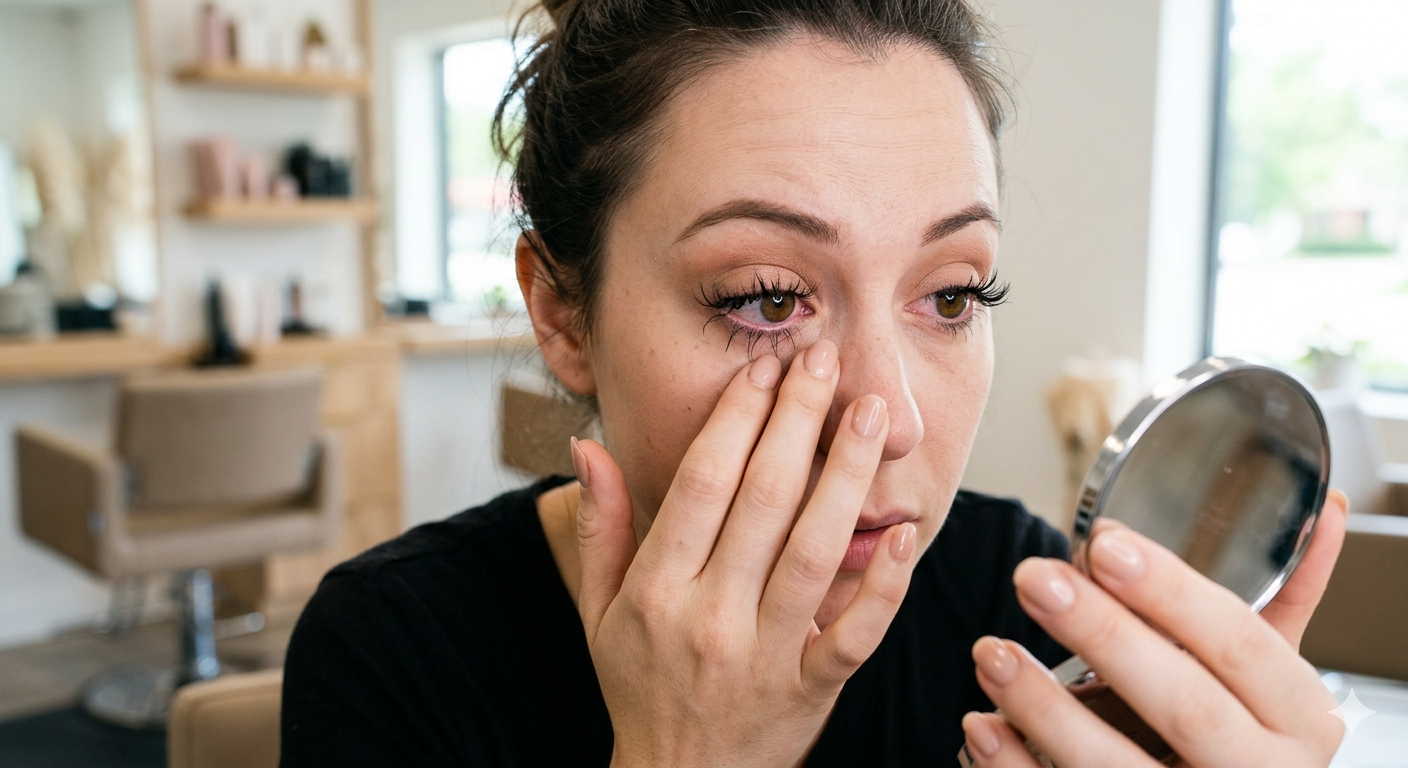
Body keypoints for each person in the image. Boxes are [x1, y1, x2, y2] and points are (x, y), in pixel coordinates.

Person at [281, 1, 1350, 765]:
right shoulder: (393, 654)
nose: (890, 422)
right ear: (563, 311)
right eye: (767, 297)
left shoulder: (1026, 614)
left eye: (951, 296)